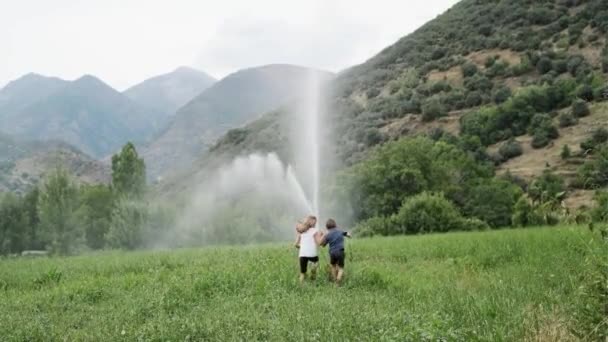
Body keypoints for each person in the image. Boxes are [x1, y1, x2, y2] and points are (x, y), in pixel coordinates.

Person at [319, 218, 351, 285]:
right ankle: (338, 279)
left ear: (327, 227)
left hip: (332, 253)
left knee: (333, 266)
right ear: (335, 225)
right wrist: (349, 235)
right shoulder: (340, 231)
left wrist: (322, 235)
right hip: (340, 251)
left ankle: (334, 279)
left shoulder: (328, 234)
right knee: (341, 267)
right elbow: (347, 234)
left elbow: (323, 244)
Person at [294, 215, 322, 283]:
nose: (316, 223)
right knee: (314, 268)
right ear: (313, 223)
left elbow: (296, 244)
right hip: (312, 254)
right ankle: (313, 282)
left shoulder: (301, 231)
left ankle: (301, 288)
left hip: (302, 254)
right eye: (315, 222)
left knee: (302, 273)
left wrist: (302, 247)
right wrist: (321, 235)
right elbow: (319, 243)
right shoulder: (314, 231)